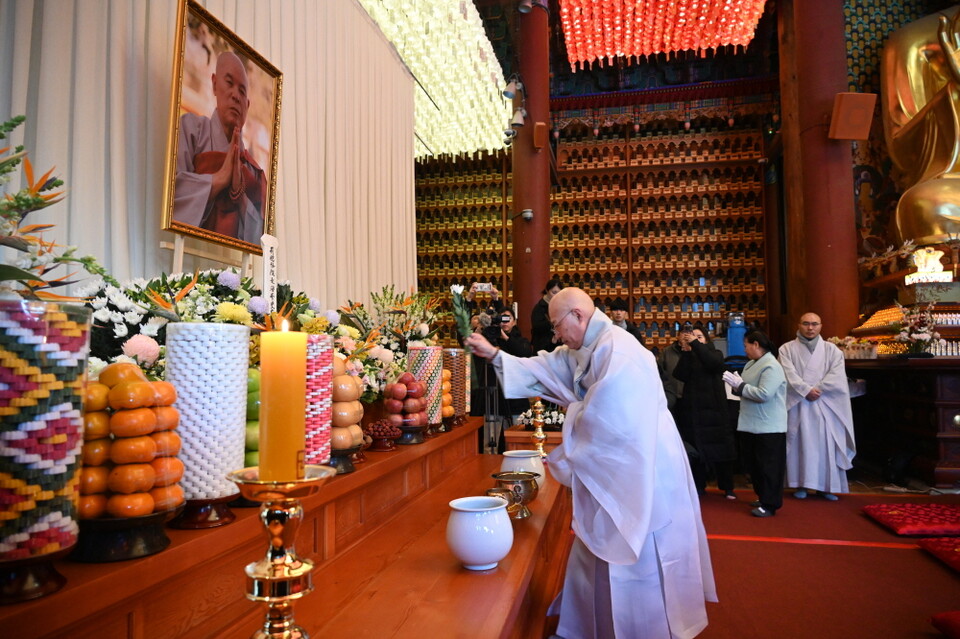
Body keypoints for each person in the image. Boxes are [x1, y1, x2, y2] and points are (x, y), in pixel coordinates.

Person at [467, 288, 716, 639]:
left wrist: (573, 415)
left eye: (557, 326)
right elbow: (546, 367)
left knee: (639, 556)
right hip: (614, 468)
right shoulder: (585, 346)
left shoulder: (620, 350)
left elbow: (610, 421)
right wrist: (494, 354)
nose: (555, 335)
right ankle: (583, 627)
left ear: (579, 316)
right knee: (595, 553)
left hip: (641, 469)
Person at [880, 5, 960, 245]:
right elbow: (903, 150)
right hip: (952, 183)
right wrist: (955, 92)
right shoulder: (915, 41)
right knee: (926, 206)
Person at [174, 51, 267, 245]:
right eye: (229, 83)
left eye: (242, 91)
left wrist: (239, 198)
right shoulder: (191, 129)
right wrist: (218, 179)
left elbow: (261, 240)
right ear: (215, 84)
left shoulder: (254, 171)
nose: (235, 95)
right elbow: (172, 193)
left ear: (247, 105)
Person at [778, 313, 857, 501]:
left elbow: (837, 376)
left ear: (821, 326)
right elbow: (787, 374)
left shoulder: (832, 351)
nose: (810, 328)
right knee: (801, 444)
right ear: (799, 325)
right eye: (806, 323)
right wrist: (805, 390)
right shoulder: (786, 349)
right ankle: (801, 484)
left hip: (824, 404)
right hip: (799, 403)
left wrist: (818, 389)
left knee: (825, 445)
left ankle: (826, 486)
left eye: (814, 324)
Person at [723, 331, 787, 518]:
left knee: (769, 467)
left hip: (769, 425)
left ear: (756, 344)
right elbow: (746, 389)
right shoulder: (752, 364)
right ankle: (762, 496)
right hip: (750, 423)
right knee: (755, 465)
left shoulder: (771, 366)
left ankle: (771, 503)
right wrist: (736, 385)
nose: (744, 350)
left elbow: (764, 394)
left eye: (746, 345)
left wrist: (740, 386)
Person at [672, 327, 737, 499]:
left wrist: (695, 344)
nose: (696, 339)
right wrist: (686, 351)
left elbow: (714, 364)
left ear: (706, 340)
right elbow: (679, 375)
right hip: (695, 411)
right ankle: (699, 485)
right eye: (693, 337)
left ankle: (728, 487)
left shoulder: (714, 353)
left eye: (699, 336)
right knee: (697, 450)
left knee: (723, 451)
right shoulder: (689, 356)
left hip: (716, 410)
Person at [530, 278, 562, 353]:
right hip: (543, 346)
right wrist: (552, 321)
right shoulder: (539, 307)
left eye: (559, 293)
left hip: (558, 345)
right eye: (554, 292)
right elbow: (537, 327)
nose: (556, 296)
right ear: (547, 291)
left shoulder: (561, 306)